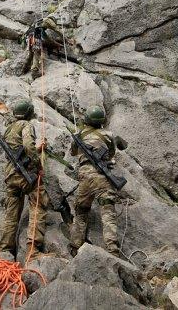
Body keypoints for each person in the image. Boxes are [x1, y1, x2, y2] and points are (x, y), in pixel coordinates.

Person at [68, 105, 128, 257]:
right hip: (103, 177)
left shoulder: (79, 134)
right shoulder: (108, 135)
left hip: (85, 177)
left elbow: (73, 152)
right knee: (108, 212)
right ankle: (113, 249)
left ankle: (75, 246)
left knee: (81, 211)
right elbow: (111, 154)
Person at [0, 99, 49, 257]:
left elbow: (16, 149)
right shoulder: (26, 125)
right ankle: (32, 249)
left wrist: (36, 149)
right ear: (29, 113)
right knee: (38, 204)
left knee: (11, 212)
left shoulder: (8, 129)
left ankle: (5, 249)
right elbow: (27, 146)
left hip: (11, 174)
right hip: (25, 174)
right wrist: (38, 167)